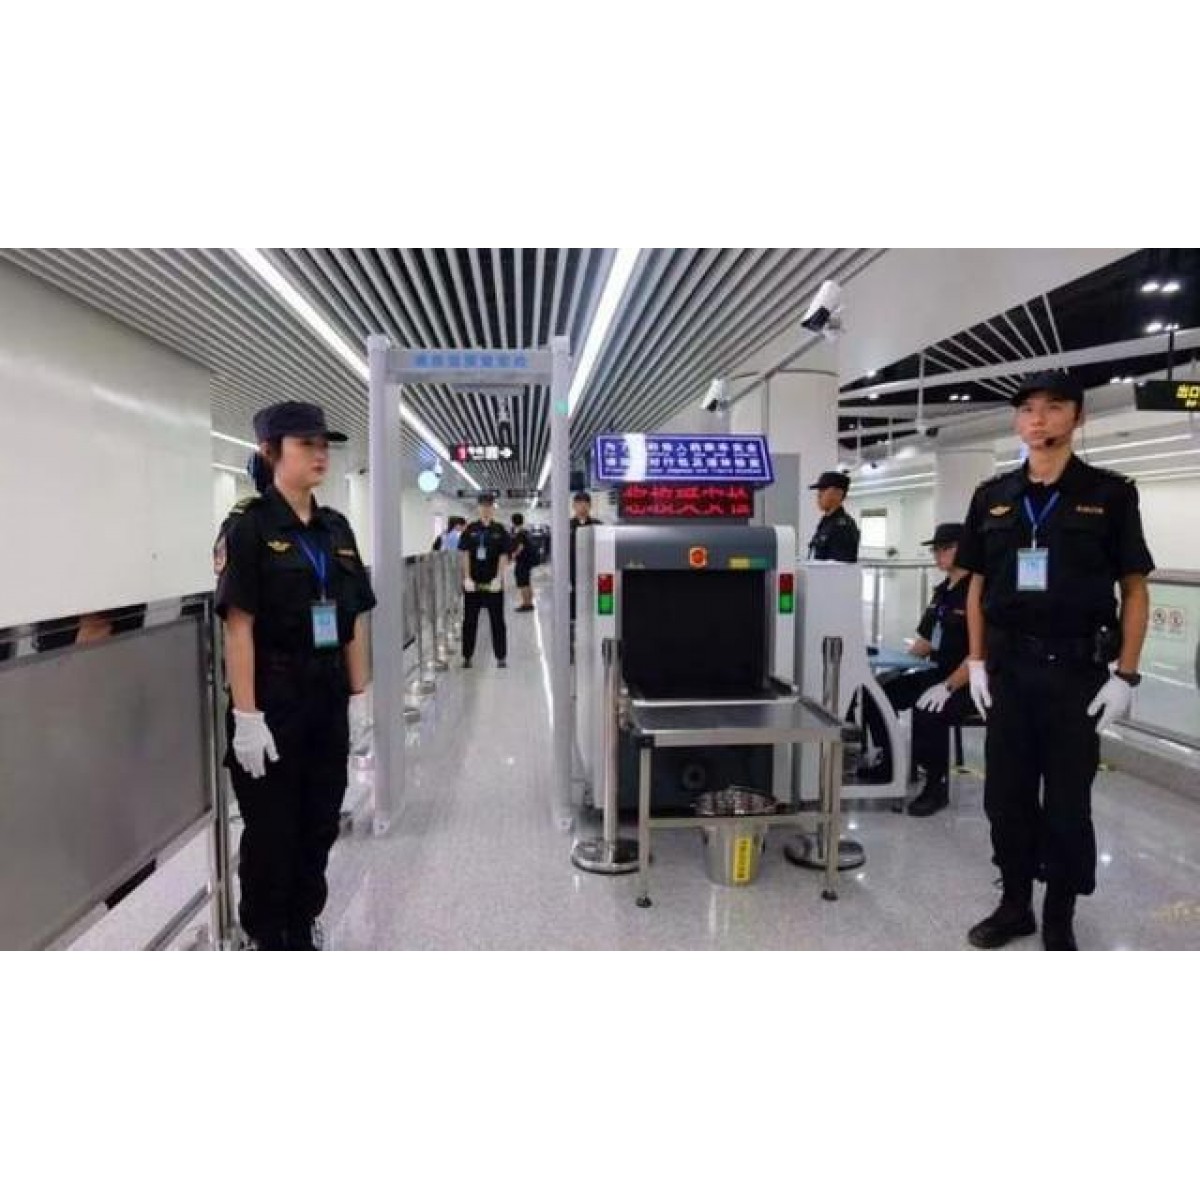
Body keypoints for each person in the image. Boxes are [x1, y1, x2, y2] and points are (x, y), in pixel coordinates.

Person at [956, 370, 1153, 951]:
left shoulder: (1110, 494)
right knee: (1005, 799)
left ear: (1078, 417)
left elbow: (1134, 588)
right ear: (1017, 420)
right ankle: (1015, 904)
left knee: (1068, 804)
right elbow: (977, 585)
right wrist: (976, 662)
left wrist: (1126, 675)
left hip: (1075, 675)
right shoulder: (992, 496)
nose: (1038, 418)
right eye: (1027, 409)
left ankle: (1060, 913)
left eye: (1053, 407)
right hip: (1010, 671)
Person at [214, 401, 377, 950]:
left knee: (320, 821)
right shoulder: (249, 527)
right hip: (274, 701)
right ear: (270, 452)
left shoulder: (337, 529)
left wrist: (360, 696)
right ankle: (268, 937)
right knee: (272, 832)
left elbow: (353, 619)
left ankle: (303, 924)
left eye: (323, 444)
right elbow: (239, 628)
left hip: (327, 698)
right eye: (306, 444)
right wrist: (246, 716)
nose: (320, 453)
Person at [862, 523, 975, 816]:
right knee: (878, 693)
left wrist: (949, 686)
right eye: (935, 549)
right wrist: (899, 667)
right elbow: (926, 640)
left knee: (929, 710)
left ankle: (936, 787)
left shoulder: (976, 590)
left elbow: (980, 654)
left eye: (946, 548)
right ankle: (891, 763)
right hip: (937, 672)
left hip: (968, 681)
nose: (938, 554)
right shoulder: (943, 591)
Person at [458, 493, 511, 667]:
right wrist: (467, 578)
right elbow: (465, 554)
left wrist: (499, 578)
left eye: (489, 506)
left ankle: (501, 656)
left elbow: (503, 555)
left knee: (497, 621)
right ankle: (467, 656)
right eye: (482, 506)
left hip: (493, 584)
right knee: (469, 621)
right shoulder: (470, 530)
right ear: (478, 507)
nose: (485, 509)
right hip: (473, 584)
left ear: (493, 508)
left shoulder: (500, 530)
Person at [807, 470, 860, 562]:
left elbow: (839, 567)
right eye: (819, 491)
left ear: (838, 494)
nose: (819, 495)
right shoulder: (825, 522)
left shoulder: (844, 527)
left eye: (823, 490)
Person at [569, 490, 603, 621]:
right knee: (575, 594)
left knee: (593, 595)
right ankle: (574, 621)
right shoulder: (566, 526)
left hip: (593, 568)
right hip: (573, 568)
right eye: (579, 504)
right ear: (573, 506)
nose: (582, 507)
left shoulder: (598, 525)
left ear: (590, 506)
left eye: (585, 504)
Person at [510, 512, 537, 612]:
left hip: (522, 562)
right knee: (527, 582)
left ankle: (526, 604)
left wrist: (512, 556)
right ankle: (529, 603)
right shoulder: (526, 532)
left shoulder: (519, 533)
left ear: (513, 522)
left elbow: (520, 547)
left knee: (522, 583)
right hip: (527, 561)